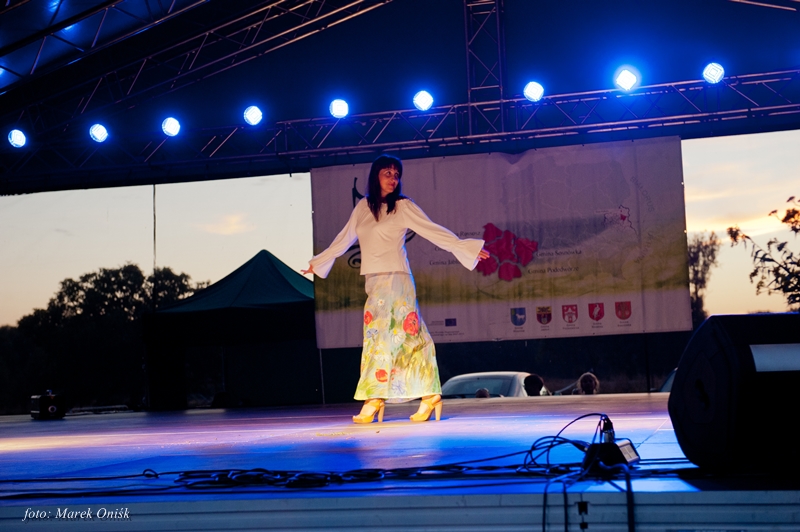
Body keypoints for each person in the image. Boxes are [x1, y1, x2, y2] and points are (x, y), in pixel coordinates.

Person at [303, 155, 489, 424]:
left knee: (408, 337)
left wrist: (465, 247)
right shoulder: (363, 207)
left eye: (396, 174)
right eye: (387, 173)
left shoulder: (403, 206)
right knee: (376, 339)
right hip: (374, 281)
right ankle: (377, 395)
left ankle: (419, 395)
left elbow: (432, 230)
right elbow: (343, 239)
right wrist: (318, 262)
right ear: (375, 175)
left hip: (398, 280)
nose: (393, 178)